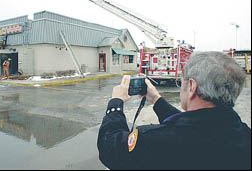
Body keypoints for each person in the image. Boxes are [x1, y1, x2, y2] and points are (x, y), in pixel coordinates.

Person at [97, 51, 251, 170]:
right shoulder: (243, 134)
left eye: (181, 82)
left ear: (191, 87)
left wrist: (115, 104)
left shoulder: (156, 141)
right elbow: (190, 125)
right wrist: (156, 99)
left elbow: (110, 148)